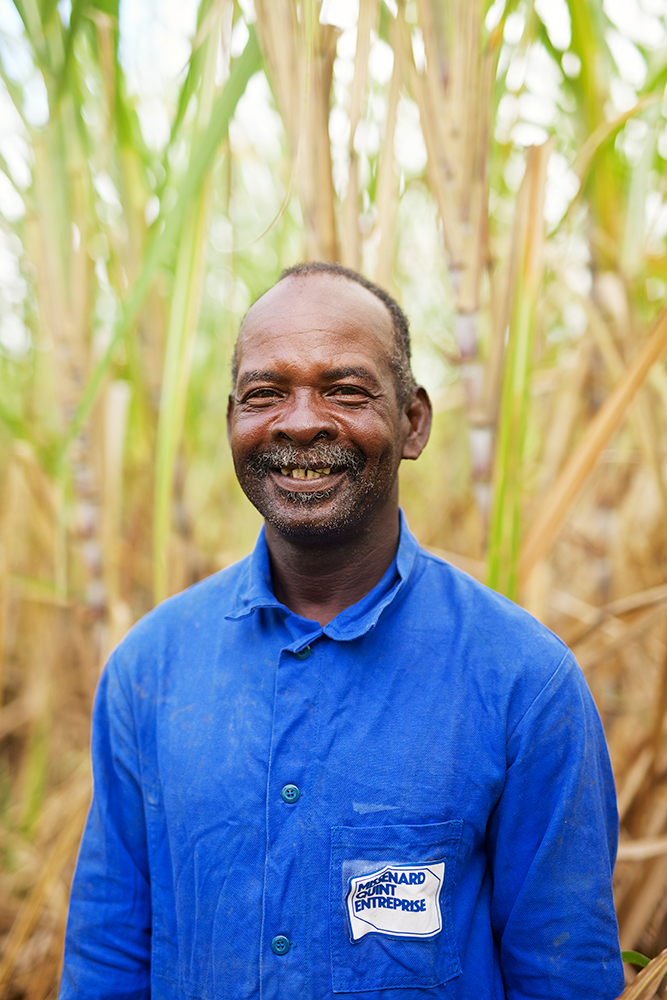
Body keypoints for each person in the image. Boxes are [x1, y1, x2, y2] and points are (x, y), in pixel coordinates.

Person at [59, 262, 624, 1000]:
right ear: (232, 421)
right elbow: (107, 958)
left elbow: (564, 974)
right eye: (265, 394)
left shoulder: (523, 681)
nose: (299, 421)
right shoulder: (150, 670)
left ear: (413, 421)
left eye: (344, 390)